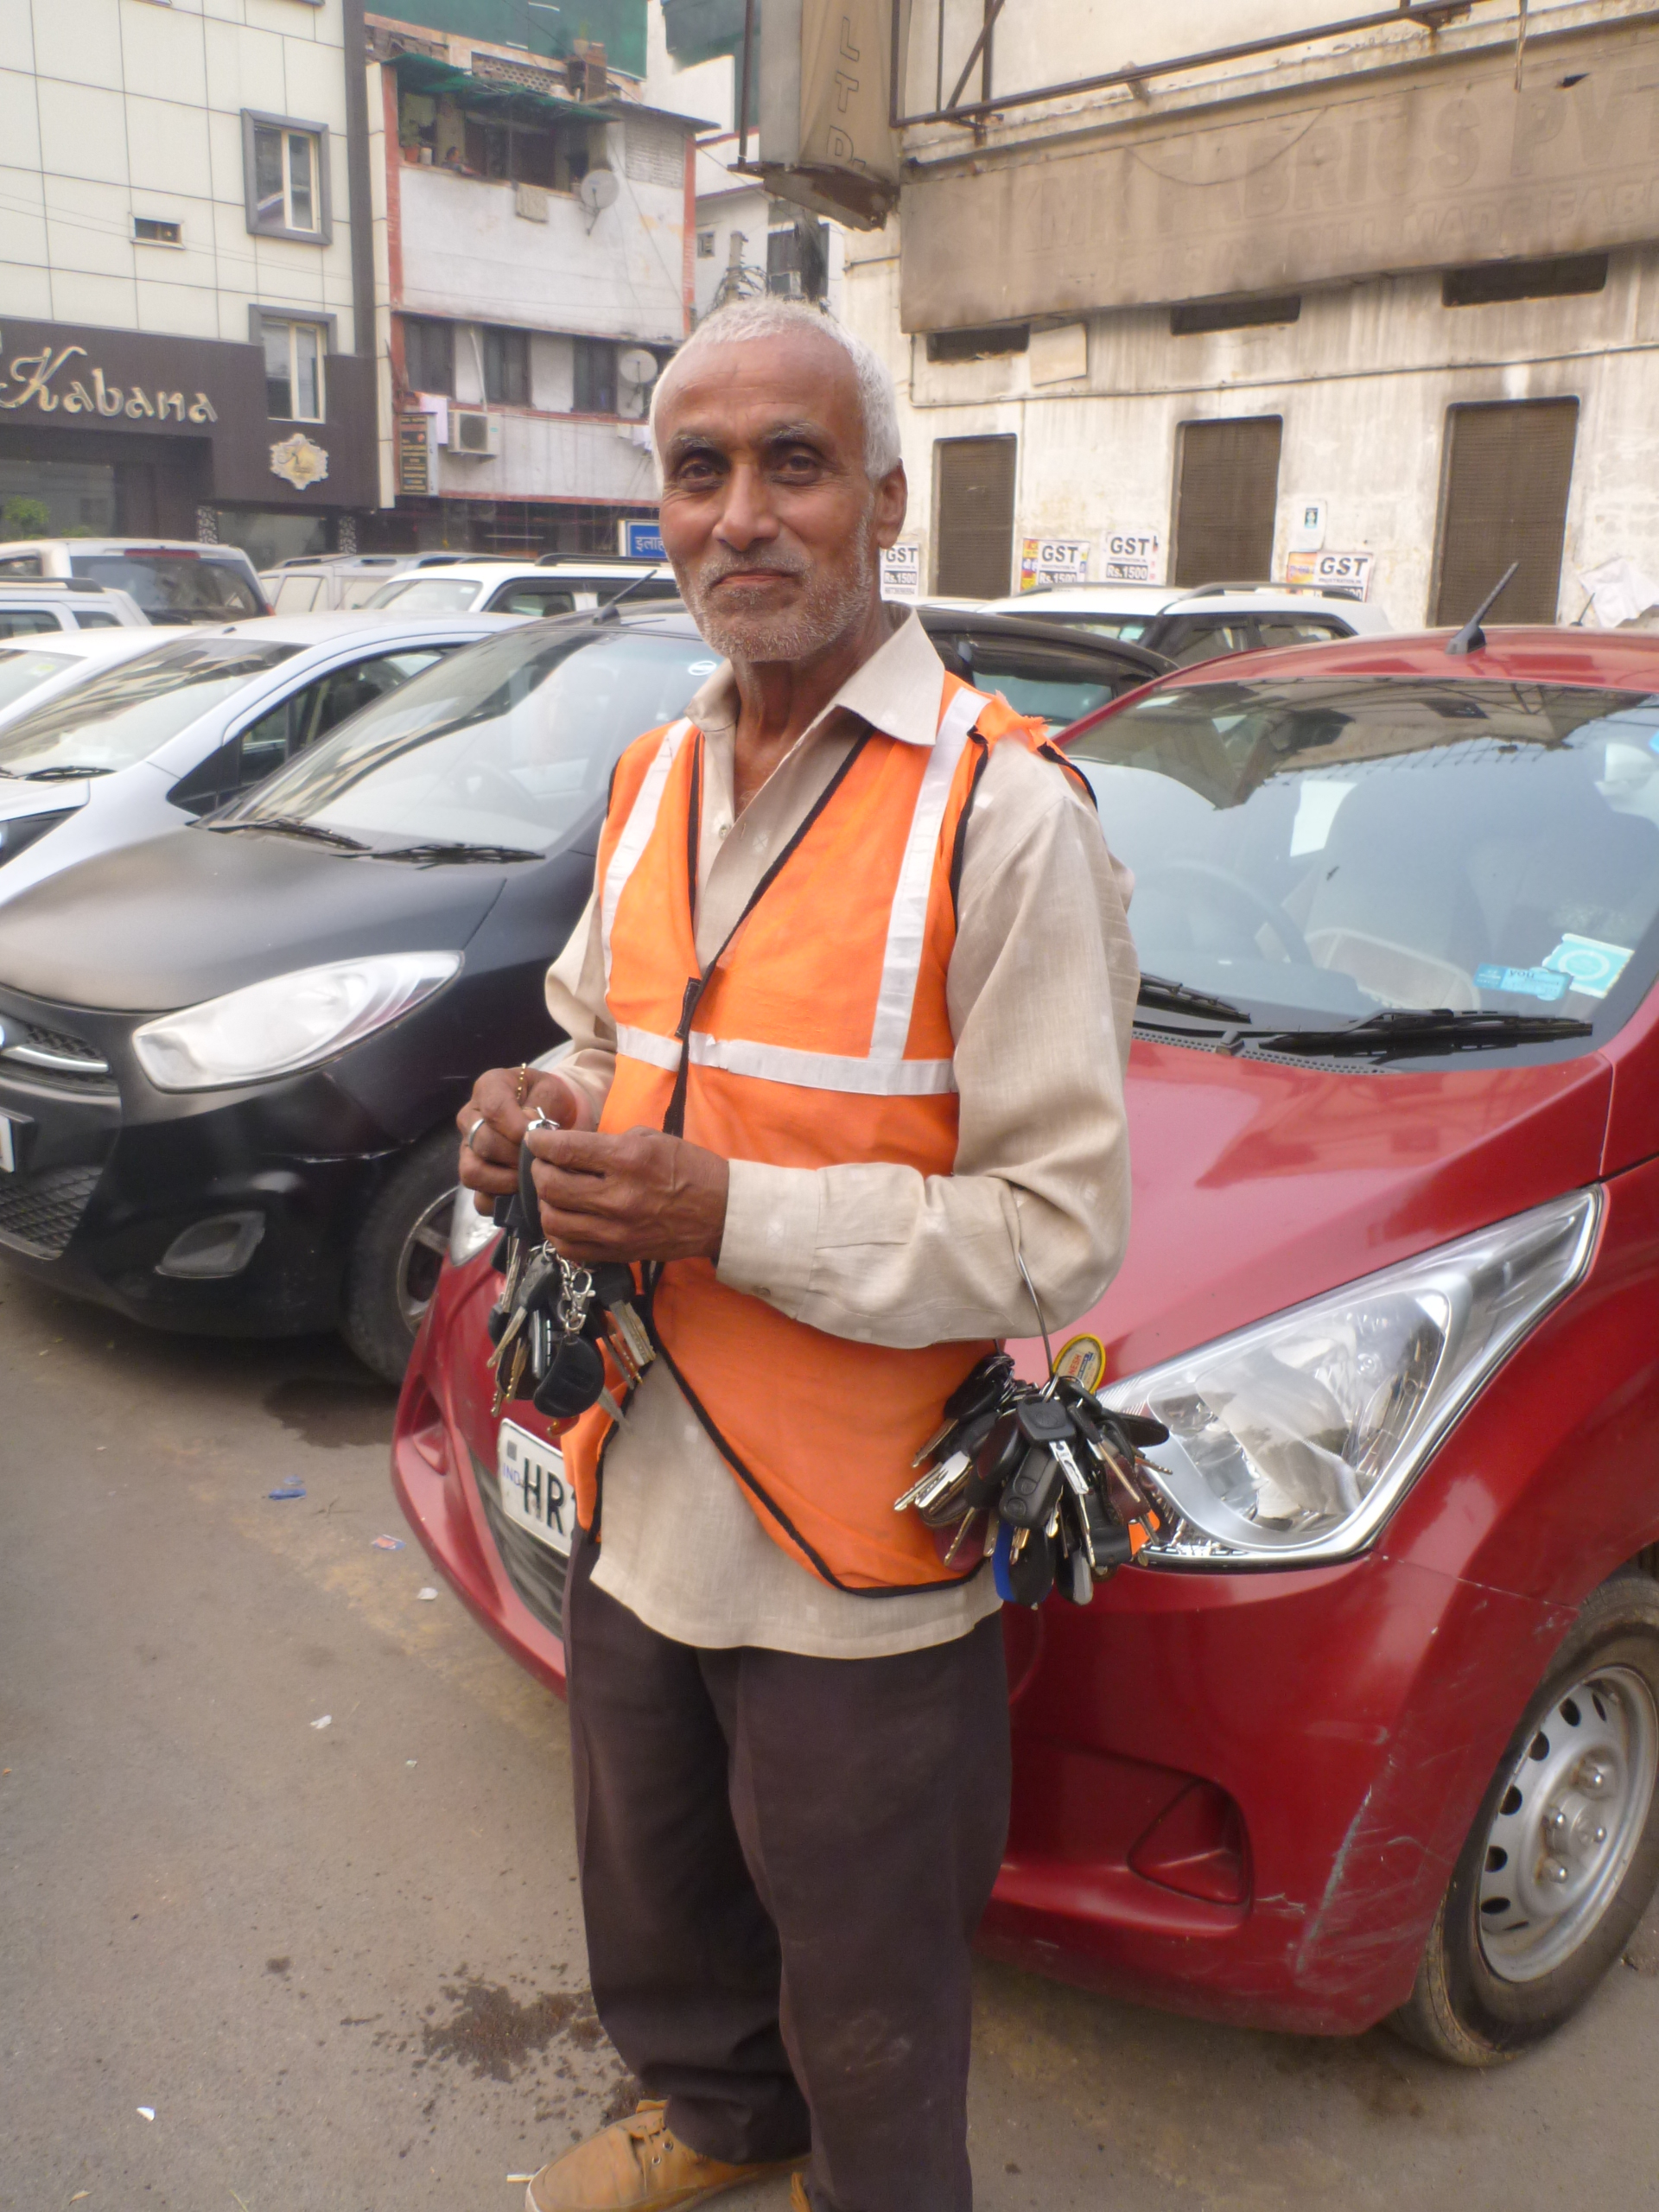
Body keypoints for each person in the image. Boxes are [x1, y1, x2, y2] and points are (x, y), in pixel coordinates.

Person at [456, 296, 1138, 2212]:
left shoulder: (1005, 815)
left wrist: (723, 1212)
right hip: (639, 1481)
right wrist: (534, 1105)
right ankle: (715, 2119)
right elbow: (607, 1030)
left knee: (872, 1980)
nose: (742, 513)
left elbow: (1060, 1231)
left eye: (795, 464)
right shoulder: (656, 777)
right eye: (701, 469)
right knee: (658, 1887)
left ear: (885, 503)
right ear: (663, 507)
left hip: (859, 1542)